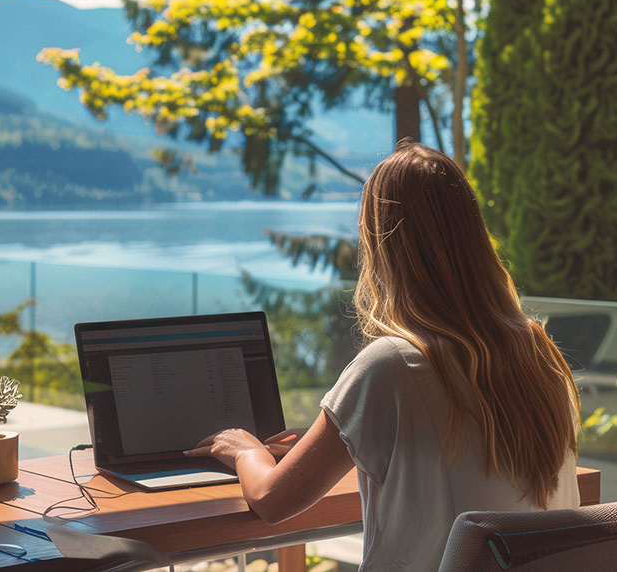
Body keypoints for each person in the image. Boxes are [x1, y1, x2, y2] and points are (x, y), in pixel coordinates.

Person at [186, 139, 581, 570]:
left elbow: (272, 500)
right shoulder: (541, 357)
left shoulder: (392, 365)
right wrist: (338, 444)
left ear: (384, 248)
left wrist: (244, 449)